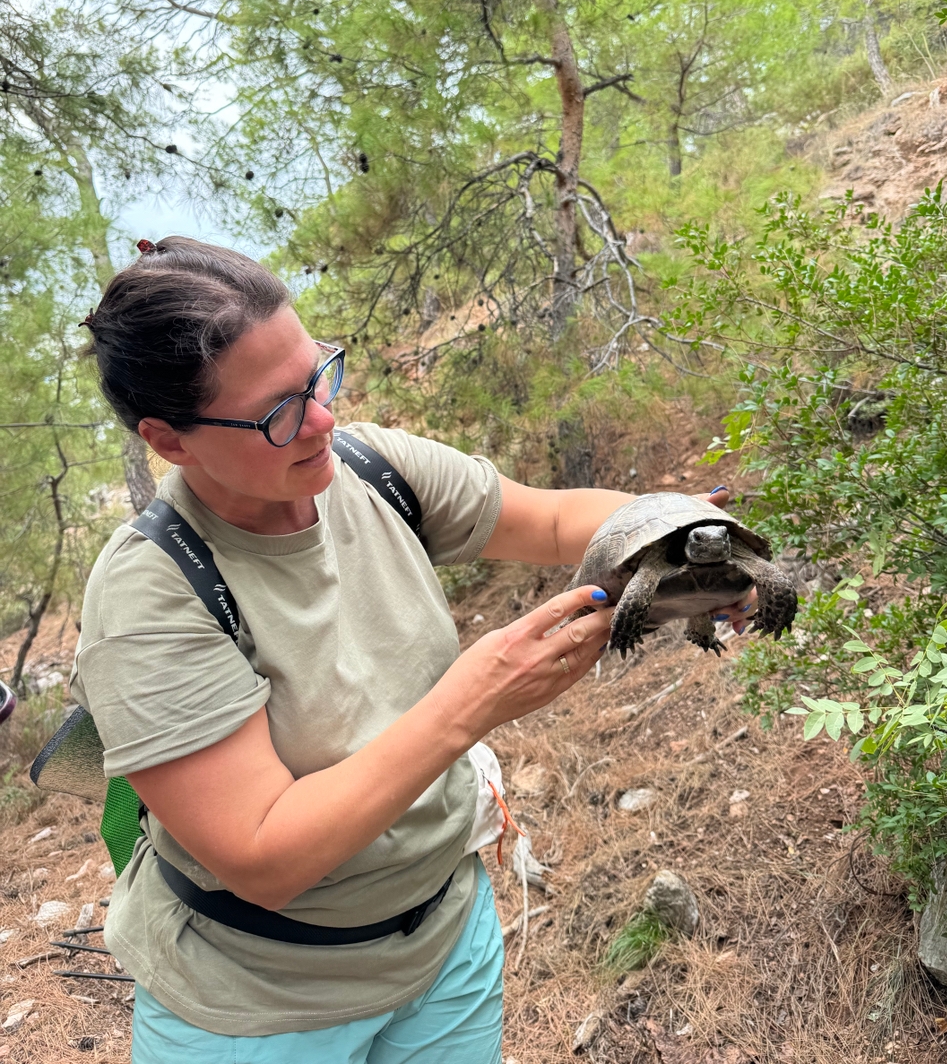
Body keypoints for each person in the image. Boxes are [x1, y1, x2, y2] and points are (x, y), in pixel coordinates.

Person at [70, 237, 750, 1063]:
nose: (321, 418)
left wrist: (679, 538)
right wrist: (474, 700)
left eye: (319, 375)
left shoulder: (369, 469)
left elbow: (555, 519)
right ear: (170, 441)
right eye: (277, 412)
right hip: (258, 1006)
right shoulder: (153, 593)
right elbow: (264, 856)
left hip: (443, 947)